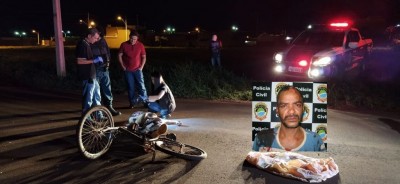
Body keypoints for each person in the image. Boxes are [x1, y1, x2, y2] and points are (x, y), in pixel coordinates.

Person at [252, 86, 325, 152]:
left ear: (303, 109)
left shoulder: (315, 141)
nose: (292, 111)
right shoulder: (261, 138)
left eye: (297, 105)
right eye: (284, 106)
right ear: (277, 110)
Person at [91, 31, 121, 116]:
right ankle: (97, 112)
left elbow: (108, 53)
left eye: (100, 37)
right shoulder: (90, 43)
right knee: (96, 92)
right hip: (95, 69)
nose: (98, 39)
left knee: (107, 89)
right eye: (97, 37)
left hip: (105, 69)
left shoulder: (103, 41)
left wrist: (108, 63)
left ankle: (109, 107)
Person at [118, 30, 148, 109]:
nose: (133, 41)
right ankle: (132, 103)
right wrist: (123, 66)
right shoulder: (124, 44)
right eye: (131, 39)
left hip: (138, 70)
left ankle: (145, 102)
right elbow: (119, 55)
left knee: (141, 86)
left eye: (135, 39)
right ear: (129, 37)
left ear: (137, 39)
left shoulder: (140, 45)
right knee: (131, 87)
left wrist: (141, 67)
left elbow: (144, 57)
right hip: (128, 70)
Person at [75, 28, 102, 114]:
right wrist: (93, 60)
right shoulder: (82, 45)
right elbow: (79, 61)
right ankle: (86, 117)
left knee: (96, 96)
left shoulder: (87, 44)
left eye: (98, 38)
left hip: (92, 75)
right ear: (89, 36)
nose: (96, 40)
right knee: (88, 98)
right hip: (87, 76)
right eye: (95, 38)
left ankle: (99, 115)